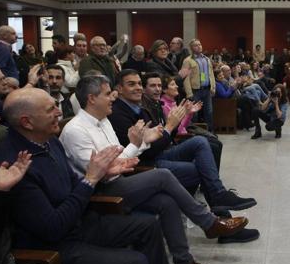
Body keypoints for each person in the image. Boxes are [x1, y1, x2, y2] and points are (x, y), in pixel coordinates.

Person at [60, 76, 249, 264]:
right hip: (99, 192)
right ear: (92, 99)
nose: (112, 98)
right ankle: (208, 222)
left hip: (118, 180)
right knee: (163, 175)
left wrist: (140, 144)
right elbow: (101, 172)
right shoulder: (76, 130)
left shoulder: (103, 120)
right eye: (108, 94)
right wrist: (137, 145)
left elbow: (121, 158)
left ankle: (184, 262)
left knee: (167, 202)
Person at [0, 88, 172, 264]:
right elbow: (53, 228)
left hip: (81, 223)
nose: (59, 112)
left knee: (148, 225)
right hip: (54, 245)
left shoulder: (49, 141)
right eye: (51, 110)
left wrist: (101, 175)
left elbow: (76, 184)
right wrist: (90, 179)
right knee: (135, 262)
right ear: (27, 122)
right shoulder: (13, 166)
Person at [107, 70, 256, 213]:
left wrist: (171, 126)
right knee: (200, 167)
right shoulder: (120, 114)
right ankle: (217, 210)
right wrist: (170, 127)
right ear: (119, 89)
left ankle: (219, 196)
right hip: (146, 163)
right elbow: (149, 149)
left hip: (160, 151)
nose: (138, 87)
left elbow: (160, 138)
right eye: (132, 84)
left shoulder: (140, 108)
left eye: (139, 83)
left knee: (201, 141)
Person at [182, 39, 215, 131]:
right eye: (196, 45)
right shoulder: (187, 61)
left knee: (209, 112)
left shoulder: (206, 59)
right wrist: (189, 93)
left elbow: (211, 74)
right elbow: (186, 78)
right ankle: (195, 133)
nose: (199, 46)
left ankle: (210, 132)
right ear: (191, 48)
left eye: (200, 44)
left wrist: (213, 87)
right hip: (195, 91)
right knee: (194, 114)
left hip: (207, 90)